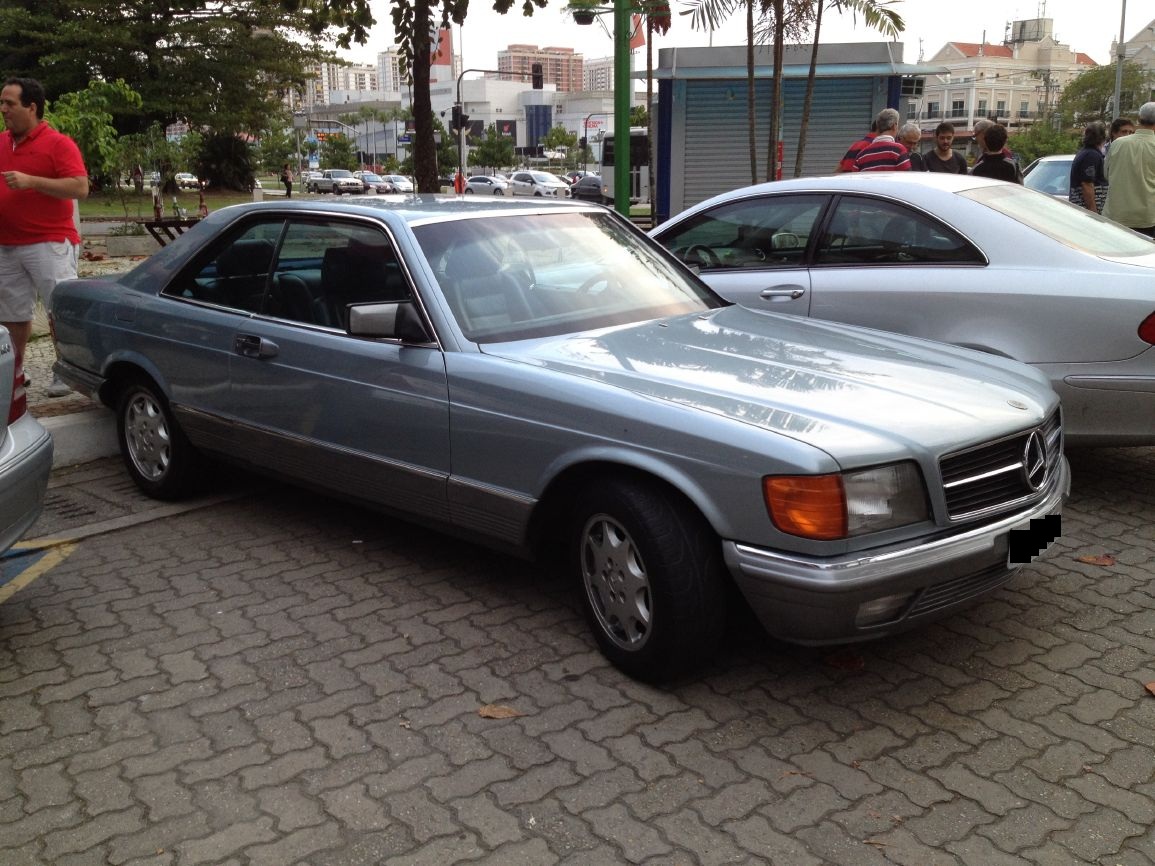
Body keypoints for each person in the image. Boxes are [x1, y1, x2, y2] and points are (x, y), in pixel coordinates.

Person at [0, 77, 89, 395]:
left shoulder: (58, 144)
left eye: (9, 103)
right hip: (7, 245)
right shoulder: (0, 143)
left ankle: (68, 371)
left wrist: (31, 181)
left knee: (59, 309)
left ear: (31, 107)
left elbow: (80, 187)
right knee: (12, 314)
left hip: (49, 242)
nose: (3, 109)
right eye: (2, 103)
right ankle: (15, 373)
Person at [1103, 101, 1155, 238]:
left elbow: (1106, 174)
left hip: (1116, 215)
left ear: (1139, 119)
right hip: (1147, 218)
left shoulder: (1118, 144)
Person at [1069, 122, 1108, 214]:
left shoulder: (1086, 153)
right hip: (1089, 211)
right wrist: (1093, 212)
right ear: (1103, 137)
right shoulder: (1091, 155)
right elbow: (1087, 184)